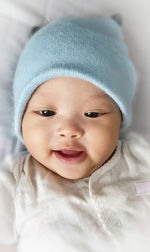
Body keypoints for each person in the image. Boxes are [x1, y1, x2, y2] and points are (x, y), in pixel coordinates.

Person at [0, 15, 150, 252]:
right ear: (21, 119)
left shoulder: (141, 157)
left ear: (119, 119)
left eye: (92, 114)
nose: (69, 130)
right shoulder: (14, 183)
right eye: (47, 112)